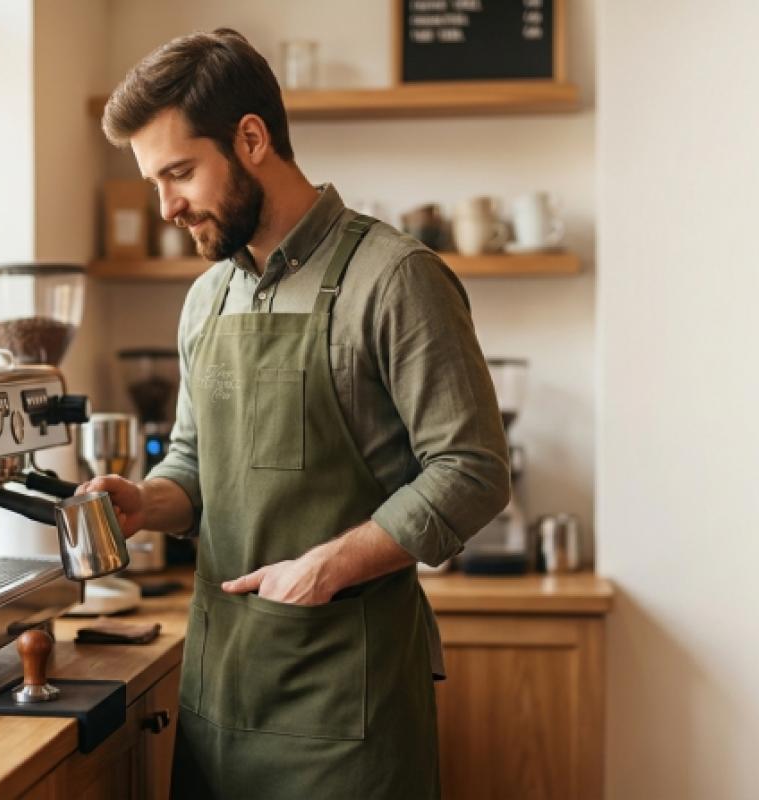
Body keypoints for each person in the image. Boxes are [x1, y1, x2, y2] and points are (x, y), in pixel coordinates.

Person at [84, 27, 511, 800]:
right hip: (221, 700)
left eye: (179, 172)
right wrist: (147, 501)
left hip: (349, 716)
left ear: (252, 139)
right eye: (154, 183)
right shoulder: (205, 299)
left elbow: (473, 469)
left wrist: (327, 566)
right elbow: (193, 460)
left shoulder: (395, 278)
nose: (168, 206)